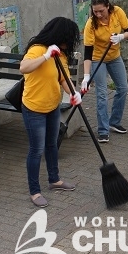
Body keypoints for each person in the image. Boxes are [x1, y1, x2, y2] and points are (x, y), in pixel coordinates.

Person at [19, 17, 82, 208]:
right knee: (36, 150)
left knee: (52, 145)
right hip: (34, 108)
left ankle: (54, 180)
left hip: (52, 106)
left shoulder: (60, 55)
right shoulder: (38, 49)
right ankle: (34, 191)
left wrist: (73, 93)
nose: (68, 44)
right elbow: (23, 68)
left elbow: (63, 79)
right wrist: (46, 56)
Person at [80, 0, 128, 143]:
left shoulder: (117, 12)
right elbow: (88, 53)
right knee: (102, 94)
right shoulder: (91, 24)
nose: (98, 14)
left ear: (107, 6)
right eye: (95, 11)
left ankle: (114, 122)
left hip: (115, 57)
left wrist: (121, 37)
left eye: (101, 11)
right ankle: (102, 130)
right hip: (98, 60)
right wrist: (85, 76)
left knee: (123, 88)